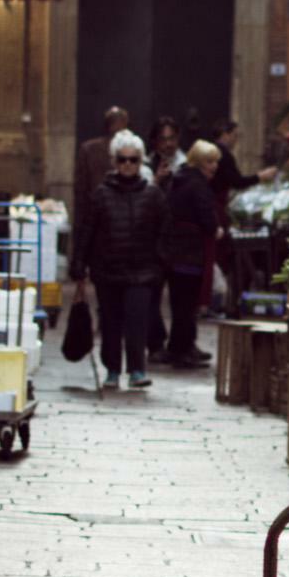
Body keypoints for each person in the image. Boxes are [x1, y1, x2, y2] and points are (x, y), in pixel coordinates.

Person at [67, 132, 165, 388]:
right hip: (108, 270)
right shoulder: (101, 194)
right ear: (114, 161)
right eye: (122, 160)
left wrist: (160, 264)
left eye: (133, 160)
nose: (128, 165)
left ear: (141, 161)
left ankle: (136, 370)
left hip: (142, 271)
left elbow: (164, 231)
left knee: (137, 320)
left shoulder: (152, 195)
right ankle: (112, 369)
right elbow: (87, 230)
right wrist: (79, 265)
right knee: (110, 322)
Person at [158, 140, 224, 369]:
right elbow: (207, 217)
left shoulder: (182, 179)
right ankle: (181, 347)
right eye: (209, 161)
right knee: (186, 304)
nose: (214, 166)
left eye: (216, 161)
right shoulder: (196, 185)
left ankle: (184, 345)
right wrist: (216, 229)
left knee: (183, 304)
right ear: (198, 161)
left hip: (179, 252)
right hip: (189, 253)